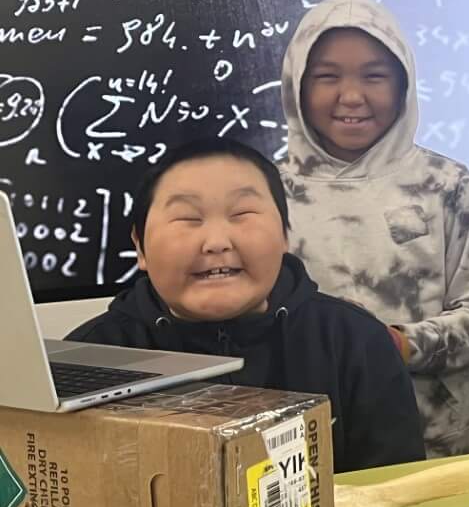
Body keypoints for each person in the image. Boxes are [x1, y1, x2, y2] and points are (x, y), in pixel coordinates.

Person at [68, 138, 424, 473]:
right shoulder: (85, 362)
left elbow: (392, 496)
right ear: (139, 245)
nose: (217, 242)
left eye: (242, 214)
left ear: (285, 233)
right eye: (188, 219)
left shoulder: (354, 341)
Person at [278, 0, 469, 458]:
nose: (352, 96)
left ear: (403, 86)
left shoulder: (444, 183)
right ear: (296, 86)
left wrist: (398, 347)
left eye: (374, 76)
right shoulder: (264, 194)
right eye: (326, 77)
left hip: (433, 443)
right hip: (307, 451)